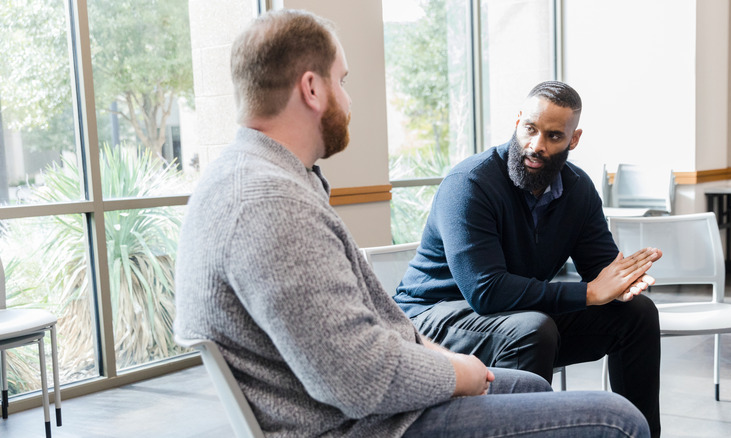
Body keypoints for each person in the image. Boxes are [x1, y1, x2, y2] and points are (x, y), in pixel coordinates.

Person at [174, 10, 651, 438]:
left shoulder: (262, 181)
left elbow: (365, 337)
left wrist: (437, 358)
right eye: (344, 80)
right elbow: (357, 379)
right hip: (368, 425)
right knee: (618, 420)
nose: (350, 98)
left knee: (530, 382)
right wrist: (452, 373)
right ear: (312, 89)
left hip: (368, 404)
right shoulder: (269, 203)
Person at [393, 80, 664, 437]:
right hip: (432, 318)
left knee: (637, 315)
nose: (536, 146)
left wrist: (624, 283)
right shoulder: (469, 183)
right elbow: (486, 292)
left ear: (574, 139)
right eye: (530, 129)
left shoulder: (578, 189)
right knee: (532, 330)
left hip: (513, 315)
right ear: (518, 120)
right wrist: (588, 294)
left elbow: (601, 268)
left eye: (553, 136)